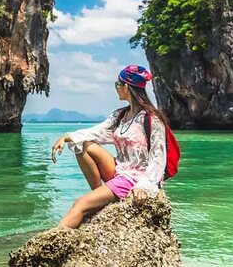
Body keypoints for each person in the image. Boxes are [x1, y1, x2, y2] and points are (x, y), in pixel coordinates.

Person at [50, 64, 169, 229]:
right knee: (83, 144)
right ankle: (99, 199)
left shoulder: (151, 120)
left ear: (126, 86)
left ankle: (50, 242)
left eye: (117, 85)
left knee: (81, 203)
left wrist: (144, 186)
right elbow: (97, 132)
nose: (116, 88)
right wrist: (67, 137)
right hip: (120, 171)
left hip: (135, 179)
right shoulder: (121, 115)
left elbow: (158, 158)